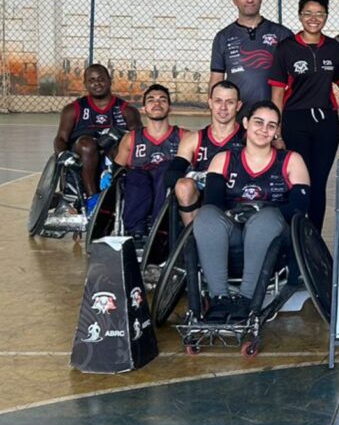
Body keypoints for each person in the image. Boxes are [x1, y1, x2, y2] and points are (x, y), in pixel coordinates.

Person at [192, 101, 311, 322]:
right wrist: (240, 214)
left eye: (271, 125)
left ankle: (247, 299)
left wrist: (259, 210)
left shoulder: (291, 160)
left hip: (274, 237)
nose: (264, 129)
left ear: (276, 131)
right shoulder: (224, 159)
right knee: (206, 215)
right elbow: (213, 204)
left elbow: (299, 209)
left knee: (264, 219)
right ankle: (219, 298)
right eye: (258, 122)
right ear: (246, 123)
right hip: (234, 234)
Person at [268, 0, 339, 232]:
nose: (314, 18)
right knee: (300, 182)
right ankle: (294, 237)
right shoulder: (286, 48)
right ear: (300, 15)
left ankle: (313, 239)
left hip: (326, 122)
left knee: (319, 183)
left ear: (326, 16)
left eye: (320, 14)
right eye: (308, 13)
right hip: (295, 121)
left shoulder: (333, 48)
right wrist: (277, 132)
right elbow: (277, 94)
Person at [53, 64, 140, 214]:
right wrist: (62, 154)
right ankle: (92, 200)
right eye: (92, 80)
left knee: (121, 145)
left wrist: (121, 134)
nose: (97, 83)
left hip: (113, 155)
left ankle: (116, 195)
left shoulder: (127, 110)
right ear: (85, 84)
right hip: (83, 152)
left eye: (101, 79)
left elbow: (140, 139)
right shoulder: (73, 109)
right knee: (87, 144)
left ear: (109, 80)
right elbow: (61, 138)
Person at [166, 80, 246, 226]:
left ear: (238, 105)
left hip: (236, 191)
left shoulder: (248, 137)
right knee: (183, 185)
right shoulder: (193, 138)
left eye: (230, 102)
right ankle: (193, 234)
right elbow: (172, 175)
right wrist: (200, 177)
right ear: (210, 103)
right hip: (201, 194)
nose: (223, 107)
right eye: (218, 101)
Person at [113, 84, 187, 241]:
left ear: (170, 108)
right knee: (136, 174)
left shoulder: (184, 136)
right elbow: (117, 170)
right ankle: (136, 230)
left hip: (167, 191)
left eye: (162, 100)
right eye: (151, 100)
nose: (157, 103)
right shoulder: (131, 138)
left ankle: (159, 225)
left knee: (167, 168)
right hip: (138, 188)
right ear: (143, 109)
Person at [209, 0, 291, 110]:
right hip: (237, 115)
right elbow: (216, 79)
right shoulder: (223, 37)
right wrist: (215, 112)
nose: (250, 0)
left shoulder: (282, 34)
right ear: (234, 0)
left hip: (273, 115)